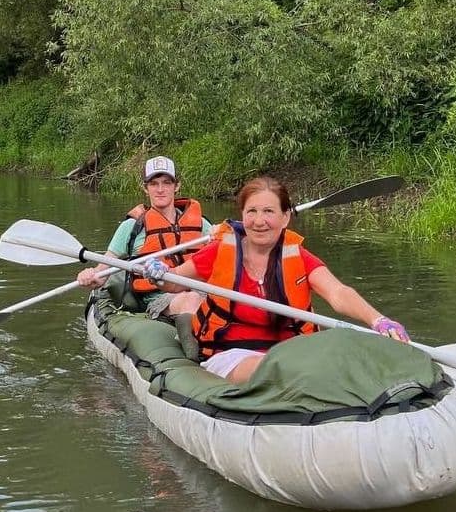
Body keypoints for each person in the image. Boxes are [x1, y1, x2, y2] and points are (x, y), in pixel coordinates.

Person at [140, 175, 410, 384]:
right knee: (271, 367)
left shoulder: (299, 257)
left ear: (285, 217)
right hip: (231, 353)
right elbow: (176, 282)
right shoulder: (220, 251)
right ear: (242, 216)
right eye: (252, 212)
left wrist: (377, 319)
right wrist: (159, 275)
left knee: (303, 362)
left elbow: (338, 293)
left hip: (291, 351)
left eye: (269, 212)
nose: (259, 221)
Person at [76, 155, 212, 314]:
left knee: (204, 299)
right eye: (154, 183)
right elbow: (101, 275)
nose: (160, 189)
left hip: (201, 290)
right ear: (145, 188)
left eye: (166, 183)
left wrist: (224, 235)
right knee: (190, 300)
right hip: (160, 298)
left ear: (177, 186)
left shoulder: (202, 224)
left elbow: (229, 256)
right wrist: (89, 276)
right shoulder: (131, 227)